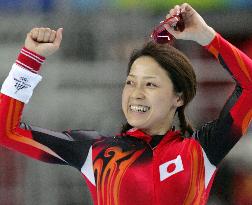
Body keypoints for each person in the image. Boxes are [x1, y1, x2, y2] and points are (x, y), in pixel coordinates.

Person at [0, 3, 251, 205]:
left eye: (150, 84)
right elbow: (6, 131)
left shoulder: (201, 150)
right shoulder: (96, 152)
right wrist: (29, 60)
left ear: (179, 97)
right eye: (130, 83)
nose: (136, 94)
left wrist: (205, 35)